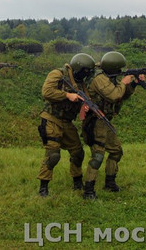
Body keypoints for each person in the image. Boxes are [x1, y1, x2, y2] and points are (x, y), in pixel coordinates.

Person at [81, 51, 144, 200]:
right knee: (98, 155)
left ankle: (110, 183)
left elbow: (121, 96)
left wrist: (133, 84)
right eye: (118, 68)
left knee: (116, 151)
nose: (120, 71)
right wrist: (124, 82)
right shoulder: (100, 79)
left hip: (105, 121)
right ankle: (88, 190)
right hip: (95, 122)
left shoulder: (110, 77)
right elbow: (114, 95)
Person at [37, 53, 95, 197]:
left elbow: (85, 99)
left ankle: (77, 182)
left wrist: (85, 106)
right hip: (52, 119)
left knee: (78, 153)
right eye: (84, 72)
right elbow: (46, 92)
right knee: (53, 155)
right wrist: (67, 95)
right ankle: (43, 188)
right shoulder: (58, 74)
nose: (85, 75)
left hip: (67, 122)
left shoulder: (80, 84)